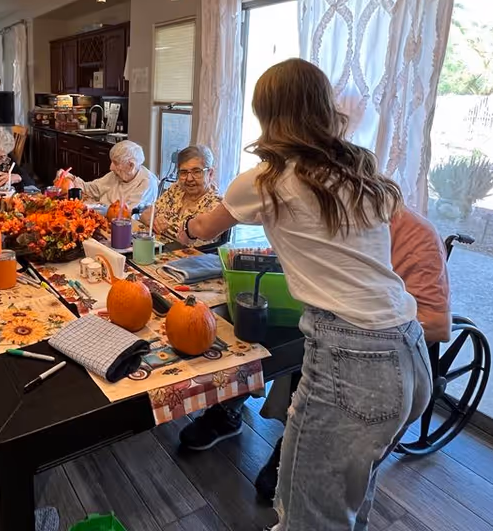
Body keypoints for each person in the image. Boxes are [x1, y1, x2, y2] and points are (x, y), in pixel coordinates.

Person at [178, 59, 431, 531]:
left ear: (267, 115)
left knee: (307, 515)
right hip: (410, 352)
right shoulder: (359, 170)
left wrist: (188, 224)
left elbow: (202, 229)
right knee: (351, 501)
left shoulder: (266, 180)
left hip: (351, 360)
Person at [181, 204, 451, 502]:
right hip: (317, 318)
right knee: (247, 324)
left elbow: (437, 324)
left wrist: (361, 326)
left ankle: (295, 444)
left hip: (371, 353)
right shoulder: (332, 215)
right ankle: (229, 406)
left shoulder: (416, 234)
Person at [139, 145, 222, 245]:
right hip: (159, 249)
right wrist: (154, 222)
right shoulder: (176, 189)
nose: (189, 178)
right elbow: (145, 215)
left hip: (188, 258)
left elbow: (199, 246)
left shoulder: (216, 205)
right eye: (183, 172)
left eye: (196, 172)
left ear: (210, 174)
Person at [62, 140, 158, 210]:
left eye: (116, 163)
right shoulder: (117, 174)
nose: (111, 167)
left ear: (130, 165)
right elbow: (92, 188)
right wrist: (72, 178)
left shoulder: (146, 183)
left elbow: (128, 213)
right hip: (99, 214)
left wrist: (94, 207)